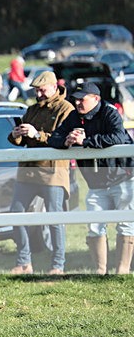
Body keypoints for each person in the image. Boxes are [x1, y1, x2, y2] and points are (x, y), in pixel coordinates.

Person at [47, 82, 134, 275]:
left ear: (96, 99)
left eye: (82, 99)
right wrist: (66, 141)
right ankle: (100, 271)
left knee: (126, 224)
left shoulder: (110, 112)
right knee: (95, 225)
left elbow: (118, 138)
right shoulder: (73, 116)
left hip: (123, 177)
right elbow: (53, 138)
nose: (77, 102)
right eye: (76, 98)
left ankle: (122, 271)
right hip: (96, 183)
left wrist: (85, 141)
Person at [7, 71, 75, 275]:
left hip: (53, 171)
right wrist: (16, 134)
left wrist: (37, 134)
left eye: (42, 90)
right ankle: (24, 262)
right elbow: (18, 141)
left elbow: (61, 139)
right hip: (28, 170)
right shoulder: (32, 110)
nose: (39, 94)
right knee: (15, 213)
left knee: (55, 218)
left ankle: (58, 265)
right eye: (36, 90)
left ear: (55, 87)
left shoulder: (67, 109)